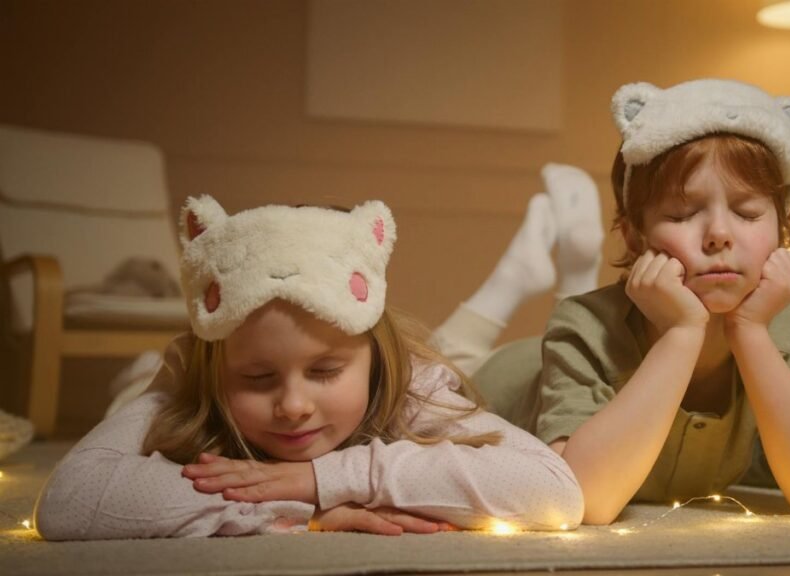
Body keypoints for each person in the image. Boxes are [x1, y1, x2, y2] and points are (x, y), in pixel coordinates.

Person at [435, 79, 790, 524]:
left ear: (781, 228)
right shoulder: (581, 325)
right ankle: (516, 276)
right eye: (681, 214)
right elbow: (586, 500)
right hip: (497, 377)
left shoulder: (776, 323)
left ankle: (568, 264)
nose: (719, 234)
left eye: (748, 213)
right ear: (635, 234)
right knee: (438, 369)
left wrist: (749, 332)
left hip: (571, 348)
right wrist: (681, 334)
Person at [34, 197, 583, 540]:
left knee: (447, 364)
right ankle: (507, 284)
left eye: (324, 371)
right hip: (137, 378)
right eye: (257, 378)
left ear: (374, 360)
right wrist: (303, 511)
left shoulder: (401, 374)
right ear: (219, 372)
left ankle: (512, 284)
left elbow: (554, 492)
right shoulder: (186, 380)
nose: (293, 406)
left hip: (401, 370)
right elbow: (70, 502)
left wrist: (326, 478)